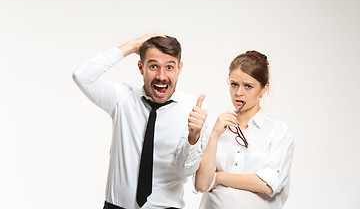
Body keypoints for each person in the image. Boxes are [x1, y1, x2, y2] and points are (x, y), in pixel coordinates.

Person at [72, 33, 207, 209]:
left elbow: (185, 171)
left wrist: (193, 137)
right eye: (153, 66)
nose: (161, 76)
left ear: (179, 69)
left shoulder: (193, 110)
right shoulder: (122, 99)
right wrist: (132, 46)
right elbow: (82, 76)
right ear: (140, 67)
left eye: (169, 67)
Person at [195, 51, 294, 209]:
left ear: (263, 89)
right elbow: (202, 184)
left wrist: (219, 177)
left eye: (248, 86)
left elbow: (268, 184)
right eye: (234, 84)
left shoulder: (279, 131)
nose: (238, 93)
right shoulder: (216, 128)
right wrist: (214, 135)